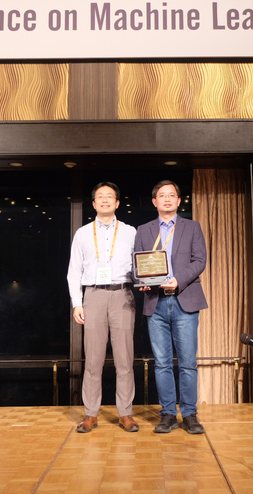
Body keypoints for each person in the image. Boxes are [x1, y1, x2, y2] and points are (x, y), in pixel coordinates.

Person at [134, 180, 208, 434]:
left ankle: (189, 414)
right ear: (154, 201)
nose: (167, 199)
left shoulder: (192, 227)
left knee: (187, 363)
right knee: (162, 363)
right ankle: (167, 414)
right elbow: (138, 264)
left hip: (184, 299)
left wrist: (179, 279)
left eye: (171, 195)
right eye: (162, 195)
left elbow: (200, 260)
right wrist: (142, 280)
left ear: (178, 201)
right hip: (155, 302)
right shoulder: (143, 230)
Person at [67, 181, 139, 433]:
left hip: (122, 295)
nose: (105, 200)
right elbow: (74, 271)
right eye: (100, 196)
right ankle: (90, 414)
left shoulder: (130, 232)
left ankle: (126, 413)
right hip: (94, 295)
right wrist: (77, 303)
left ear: (117, 203)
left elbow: (141, 264)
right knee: (93, 360)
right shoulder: (83, 233)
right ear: (94, 203)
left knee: (124, 359)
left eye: (110, 196)